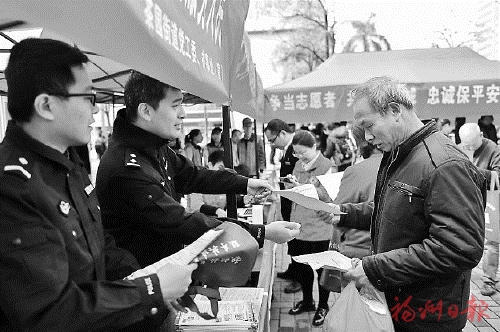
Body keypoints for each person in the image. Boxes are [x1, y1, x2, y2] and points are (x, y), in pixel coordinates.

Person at [0, 38, 196, 332]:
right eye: (88, 98)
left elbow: (100, 246)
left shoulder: (69, 164)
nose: (95, 111)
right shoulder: (13, 188)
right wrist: (151, 290)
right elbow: (49, 311)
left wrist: (147, 280)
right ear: (46, 105)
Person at [323, 77, 486, 332]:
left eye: (369, 126)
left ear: (395, 111)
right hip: (401, 302)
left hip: (427, 314)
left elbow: (459, 247)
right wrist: (345, 214)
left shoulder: (443, 164)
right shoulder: (400, 154)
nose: (366, 137)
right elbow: (393, 210)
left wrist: (375, 267)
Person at [96, 71, 300, 268]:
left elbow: (193, 175)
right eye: (176, 106)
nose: (183, 114)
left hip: (166, 273)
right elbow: (182, 222)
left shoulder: (154, 146)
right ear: (146, 111)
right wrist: (261, 232)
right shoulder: (127, 169)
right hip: (144, 285)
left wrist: (244, 183)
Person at [283, 130, 333, 326]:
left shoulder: (327, 167)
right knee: (302, 268)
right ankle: (307, 301)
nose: (300, 157)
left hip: (319, 228)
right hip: (299, 226)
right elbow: (297, 192)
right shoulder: (297, 165)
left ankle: (323, 305)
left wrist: (304, 187)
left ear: (314, 147)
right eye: (296, 153)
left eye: (303, 152)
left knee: (322, 271)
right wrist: (293, 185)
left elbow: (328, 196)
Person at [458, 123, 500, 297]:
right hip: (466, 201)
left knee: (490, 243)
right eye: (465, 145)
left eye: (471, 145)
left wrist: (471, 170)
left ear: (481, 135)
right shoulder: (459, 148)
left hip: (488, 202)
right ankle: (460, 275)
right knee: (461, 238)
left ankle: (489, 280)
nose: (467, 149)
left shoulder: (494, 149)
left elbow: (498, 177)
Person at [264, 119, 301, 294]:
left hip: (297, 205)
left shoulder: (297, 148)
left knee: (298, 241)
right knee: (292, 242)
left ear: (283, 133)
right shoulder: (288, 149)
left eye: (272, 140)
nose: (272, 144)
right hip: (288, 201)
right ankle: (293, 270)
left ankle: (300, 278)